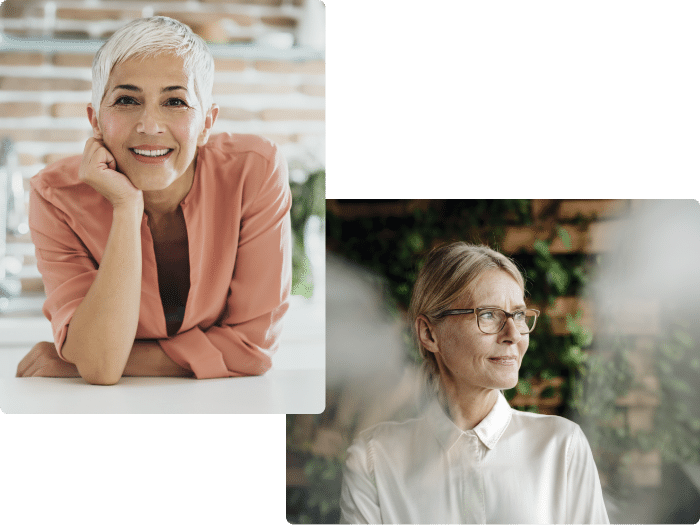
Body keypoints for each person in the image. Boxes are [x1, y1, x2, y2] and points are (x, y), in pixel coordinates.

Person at [16, 17, 292, 385]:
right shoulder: (55, 196)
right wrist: (126, 207)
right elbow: (100, 368)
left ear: (207, 123)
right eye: (127, 100)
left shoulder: (255, 170)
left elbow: (252, 349)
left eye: (175, 101)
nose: (149, 125)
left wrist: (103, 358)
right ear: (95, 120)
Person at [339, 243, 610, 524]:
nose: (513, 334)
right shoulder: (373, 459)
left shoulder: (562, 446)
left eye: (518, 315)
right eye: (489, 315)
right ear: (429, 333)